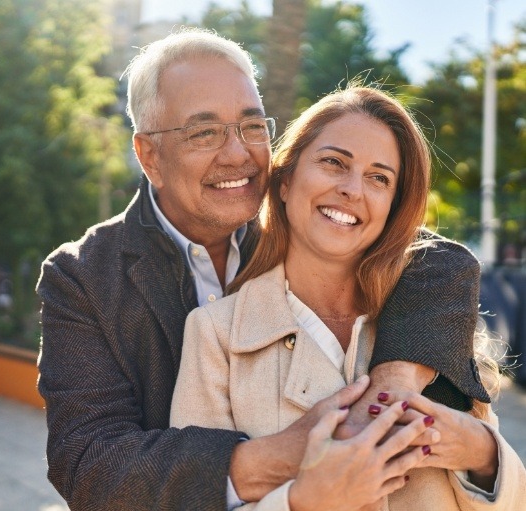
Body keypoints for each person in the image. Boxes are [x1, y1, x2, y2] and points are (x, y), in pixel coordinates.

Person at [37, 28, 489, 511]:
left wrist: (391, 391)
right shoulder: (82, 277)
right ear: (149, 155)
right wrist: (291, 456)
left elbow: (434, 255)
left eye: (253, 127)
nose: (238, 154)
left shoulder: (303, 221)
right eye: (204, 132)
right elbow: (89, 465)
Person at [170, 86, 526, 510]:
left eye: (379, 178)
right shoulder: (215, 335)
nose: (352, 190)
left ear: (393, 205)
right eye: (334, 162)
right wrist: (302, 501)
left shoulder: (430, 314)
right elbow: (195, 500)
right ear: (285, 182)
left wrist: (484, 454)